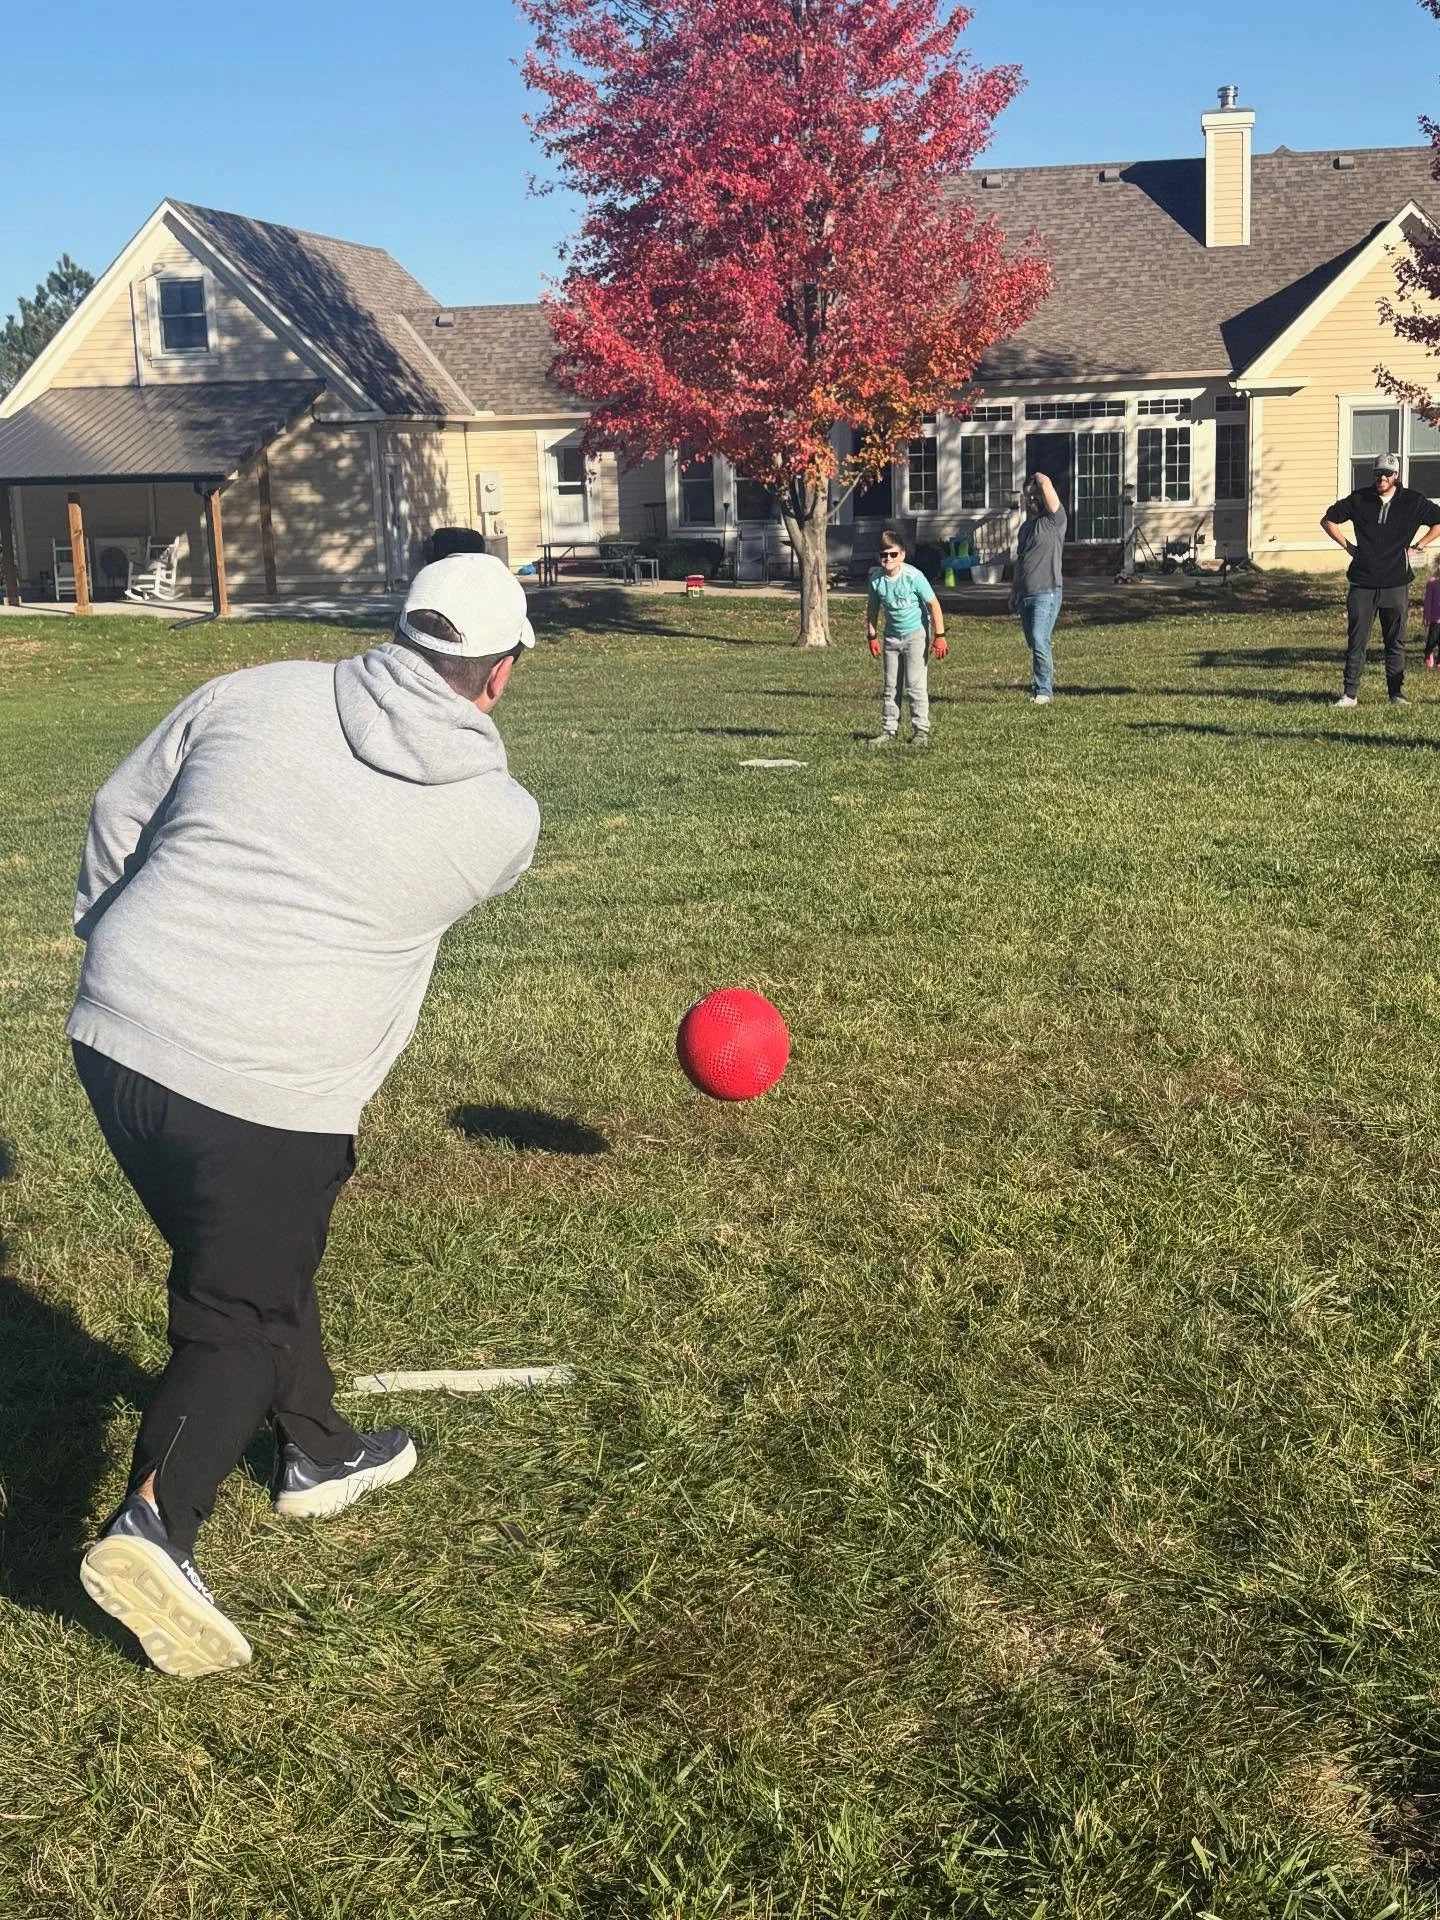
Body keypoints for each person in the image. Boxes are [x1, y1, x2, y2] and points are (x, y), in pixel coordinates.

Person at [69, 554, 541, 1676]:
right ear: (501, 673)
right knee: (232, 1311)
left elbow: (116, 809)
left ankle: (319, 1452)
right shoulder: (500, 819)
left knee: (264, 1259)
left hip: (114, 1037)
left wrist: (114, 942)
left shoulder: (252, 690)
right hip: (270, 1087)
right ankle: (154, 1525)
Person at [1321, 453, 1440, 706]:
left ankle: (1396, 694)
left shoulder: (1413, 502)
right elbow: (1328, 519)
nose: (1381, 478)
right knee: (1357, 639)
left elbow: (1438, 521)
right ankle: (1350, 694)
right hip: (1362, 582)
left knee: (1395, 640)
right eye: (1377, 473)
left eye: (1387, 474)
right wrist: (1349, 547)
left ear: (1396, 476)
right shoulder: (1359, 499)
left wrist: (1418, 545)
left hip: (1395, 582)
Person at [865, 527, 947, 746]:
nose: (888, 559)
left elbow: (933, 604)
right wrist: (871, 636)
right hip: (891, 638)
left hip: (916, 635)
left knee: (915, 684)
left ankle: (921, 730)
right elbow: (872, 609)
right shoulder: (876, 580)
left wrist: (940, 635)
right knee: (890, 686)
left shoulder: (913, 576)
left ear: (902, 555)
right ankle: (888, 730)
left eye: (892, 554)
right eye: (884, 555)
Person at [1012, 471, 1065, 705]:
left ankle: (1044, 691)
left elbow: (1046, 481)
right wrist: (1013, 591)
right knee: (1033, 642)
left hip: (1047, 591)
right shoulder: (1025, 528)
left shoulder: (1054, 520)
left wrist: (1035, 478)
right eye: (1028, 498)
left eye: (1035, 496)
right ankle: (1038, 685)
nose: (1031, 501)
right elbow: (1020, 561)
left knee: (1039, 638)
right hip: (1025, 592)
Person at [1424, 555, 1440, 669]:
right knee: (1432, 639)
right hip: (1435, 618)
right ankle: (1428, 653)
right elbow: (1428, 601)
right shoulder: (1432, 583)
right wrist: (1426, 616)